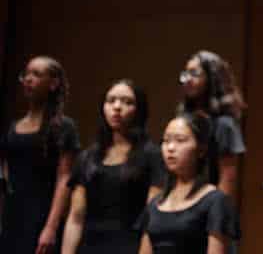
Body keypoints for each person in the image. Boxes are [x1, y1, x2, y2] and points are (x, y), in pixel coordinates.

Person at [62, 79, 165, 254]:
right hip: (89, 245)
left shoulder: (152, 155)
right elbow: (76, 217)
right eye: (111, 101)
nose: (117, 107)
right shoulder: (88, 157)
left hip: (130, 245)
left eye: (127, 102)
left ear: (139, 109)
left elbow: (152, 219)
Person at [0, 56, 80, 254]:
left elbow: (64, 177)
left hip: (42, 216)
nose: (28, 79)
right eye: (25, 74)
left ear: (53, 84)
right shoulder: (13, 127)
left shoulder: (63, 127)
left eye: (36, 74)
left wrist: (51, 227)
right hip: (13, 217)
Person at [137, 112, 240, 253]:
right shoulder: (155, 204)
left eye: (180, 140)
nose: (170, 148)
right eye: (166, 141)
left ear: (201, 149)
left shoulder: (215, 201)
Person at [178, 50, 247, 199]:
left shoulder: (224, 124)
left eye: (195, 73)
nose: (188, 79)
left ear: (212, 78)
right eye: (186, 74)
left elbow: (227, 177)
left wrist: (218, 215)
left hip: (208, 202)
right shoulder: (183, 120)